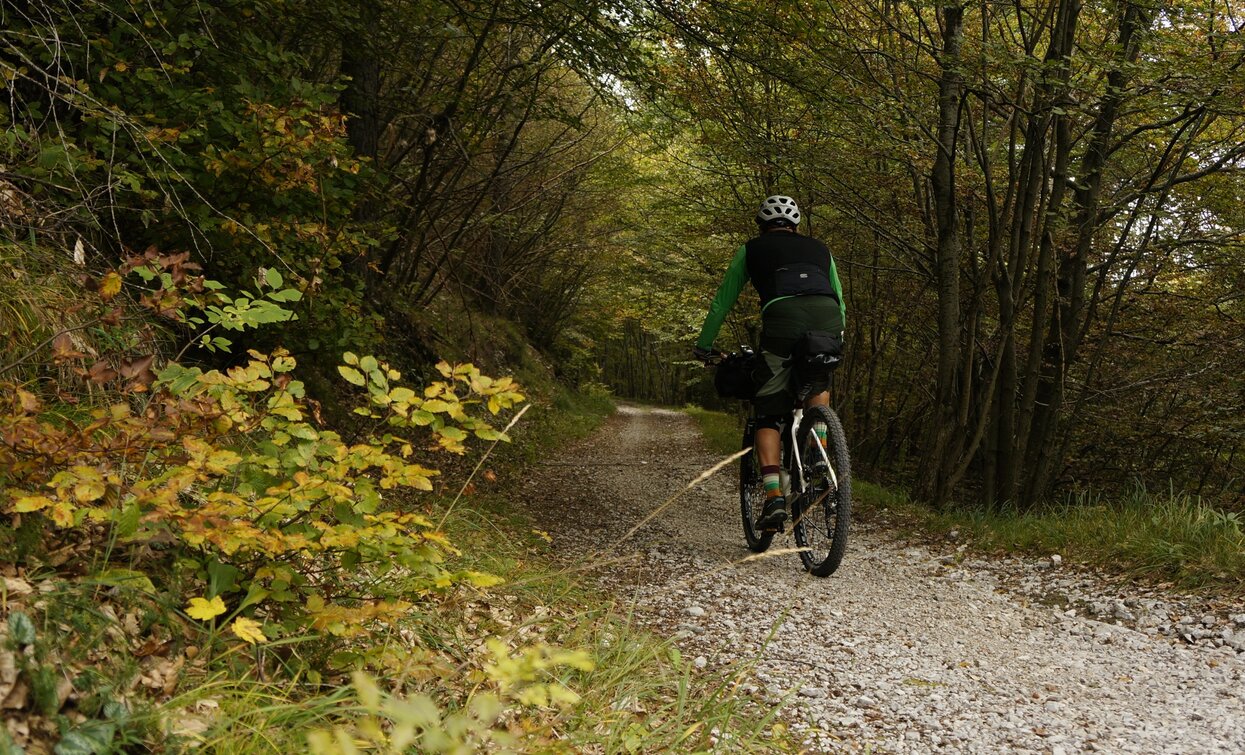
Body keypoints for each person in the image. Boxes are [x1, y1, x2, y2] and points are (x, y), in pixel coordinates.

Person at [693, 195, 845, 531]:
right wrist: (838, 335)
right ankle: (819, 457)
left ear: (762, 226)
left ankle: (774, 497)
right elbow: (839, 298)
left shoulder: (752, 249)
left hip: (781, 323)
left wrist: (704, 345)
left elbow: (722, 303)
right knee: (817, 384)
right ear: (796, 226)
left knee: (769, 412)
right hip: (828, 321)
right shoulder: (821, 249)